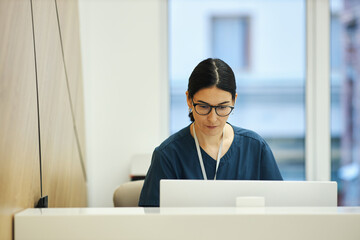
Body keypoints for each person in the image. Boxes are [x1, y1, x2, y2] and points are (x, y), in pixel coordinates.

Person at [138, 58, 282, 207]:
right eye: (204, 106)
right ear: (188, 99)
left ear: (234, 101)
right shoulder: (168, 155)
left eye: (222, 107)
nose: (212, 119)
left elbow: (280, 211)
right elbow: (151, 222)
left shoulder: (255, 149)